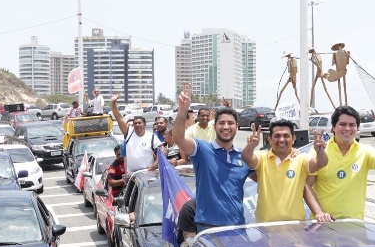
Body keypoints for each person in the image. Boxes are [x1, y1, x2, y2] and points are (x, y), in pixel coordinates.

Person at [173, 91, 252, 232]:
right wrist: (182, 111)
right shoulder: (202, 149)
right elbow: (179, 138)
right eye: (221, 123)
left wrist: (292, 153)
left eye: (230, 123)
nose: (226, 127)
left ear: (237, 127)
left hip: (238, 225)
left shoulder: (244, 157)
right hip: (209, 227)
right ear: (214, 126)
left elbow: (267, 176)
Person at [306, 105, 375, 220]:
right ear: (333, 128)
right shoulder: (319, 150)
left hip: (354, 225)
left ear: (357, 128)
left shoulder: (365, 151)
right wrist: (319, 213)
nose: (347, 129)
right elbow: (307, 184)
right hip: (323, 225)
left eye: (352, 125)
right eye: (342, 124)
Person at [241, 119, 330, 223]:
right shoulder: (262, 157)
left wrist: (320, 152)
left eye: (286, 136)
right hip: (266, 228)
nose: (281, 139)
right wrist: (250, 146)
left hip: (295, 228)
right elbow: (247, 158)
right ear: (269, 139)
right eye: (277, 136)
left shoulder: (301, 159)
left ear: (293, 139)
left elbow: (321, 163)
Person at [110, 92, 163, 173]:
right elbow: (119, 118)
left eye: (139, 123)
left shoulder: (151, 137)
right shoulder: (129, 133)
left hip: (148, 174)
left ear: (144, 124)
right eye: (135, 123)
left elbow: (162, 150)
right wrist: (113, 103)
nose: (137, 125)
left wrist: (155, 164)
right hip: (133, 176)